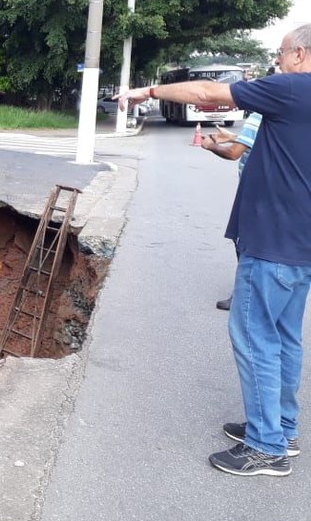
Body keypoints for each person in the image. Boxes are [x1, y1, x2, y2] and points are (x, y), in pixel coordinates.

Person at [118, 24, 311, 477]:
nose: (277, 61)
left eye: (281, 53)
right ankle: (281, 428)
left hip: (273, 243)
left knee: (254, 336)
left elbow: (209, 89)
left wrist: (148, 89)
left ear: (300, 53)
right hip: (298, 245)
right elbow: (243, 146)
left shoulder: (292, 89)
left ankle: (267, 447)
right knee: (284, 338)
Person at [200, 111, 262, 310]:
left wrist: (211, 146)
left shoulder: (257, 116)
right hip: (275, 189)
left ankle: (244, 297)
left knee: (244, 242)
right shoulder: (285, 112)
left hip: (254, 190)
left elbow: (233, 153)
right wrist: (233, 136)